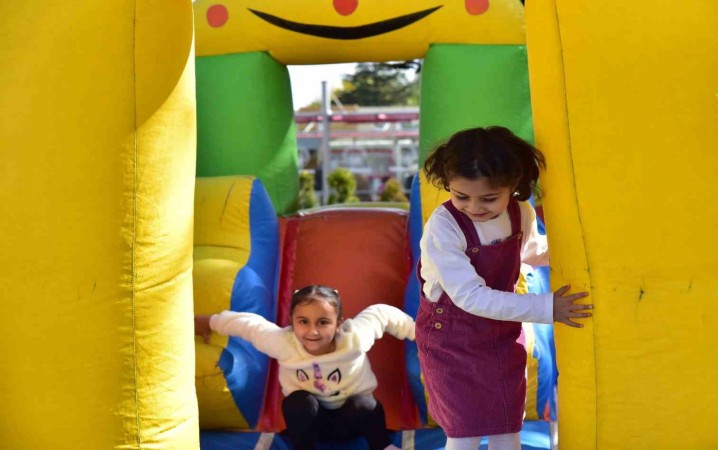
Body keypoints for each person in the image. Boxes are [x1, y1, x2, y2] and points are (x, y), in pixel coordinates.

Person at [415, 126, 593, 450]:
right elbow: (470, 296)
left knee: (507, 423)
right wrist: (547, 306)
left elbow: (532, 251)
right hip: (452, 336)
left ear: (513, 186)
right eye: (461, 196)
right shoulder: (444, 226)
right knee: (464, 429)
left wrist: (580, 251)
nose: (474, 207)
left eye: (489, 198)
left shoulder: (519, 212)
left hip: (500, 333)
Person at [195, 285, 414, 450]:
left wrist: (418, 334)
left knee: (363, 403)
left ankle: (382, 445)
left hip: (353, 423)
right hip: (312, 426)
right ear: (292, 322)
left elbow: (383, 314)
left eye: (323, 322)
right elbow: (249, 325)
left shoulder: (354, 338)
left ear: (338, 324)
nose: (312, 331)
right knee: (298, 402)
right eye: (303, 322)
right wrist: (207, 322)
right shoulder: (283, 342)